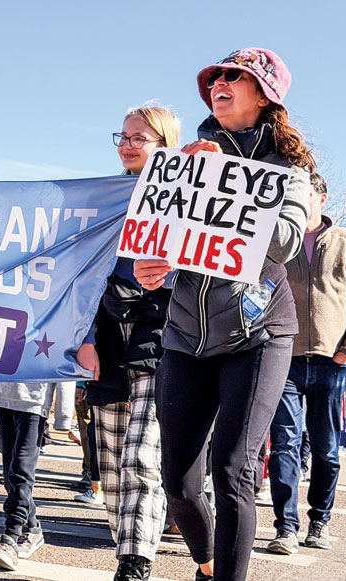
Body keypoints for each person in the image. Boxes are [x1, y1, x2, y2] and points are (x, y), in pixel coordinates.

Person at [134, 47, 313, 581]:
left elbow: (282, 244)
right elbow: (162, 239)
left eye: (237, 76)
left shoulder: (290, 167)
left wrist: (225, 178)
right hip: (185, 335)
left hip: (259, 334)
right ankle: (210, 566)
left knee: (232, 470)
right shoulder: (184, 160)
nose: (221, 81)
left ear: (265, 95)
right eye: (216, 75)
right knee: (178, 484)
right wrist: (154, 265)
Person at [77, 104, 179, 581]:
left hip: (160, 339)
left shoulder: (186, 201)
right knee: (114, 466)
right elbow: (80, 278)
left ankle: (134, 563)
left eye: (142, 136)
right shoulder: (102, 201)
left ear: (166, 144)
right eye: (124, 135)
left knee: (142, 455)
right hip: (109, 340)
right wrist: (87, 339)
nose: (129, 142)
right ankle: (129, 548)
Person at [266, 172, 346, 554]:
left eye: (304, 193)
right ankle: (285, 528)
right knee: (285, 445)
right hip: (283, 357)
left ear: (321, 198)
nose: (297, 200)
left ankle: (319, 522)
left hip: (332, 360)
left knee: (326, 447)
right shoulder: (278, 240)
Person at [0, 381, 51, 571]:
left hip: (35, 398)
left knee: (21, 470)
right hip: (2, 393)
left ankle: (10, 538)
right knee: (9, 475)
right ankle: (32, 527)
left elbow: (62, 355)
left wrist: (63, 412)